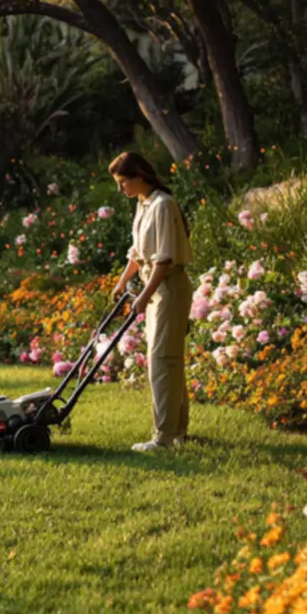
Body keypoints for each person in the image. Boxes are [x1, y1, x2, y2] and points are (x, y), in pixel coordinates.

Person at [108, 151, 193, 452]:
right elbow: (137, 253)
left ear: (139, 177)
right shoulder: (144, 205)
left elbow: (164, 259)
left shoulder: (163, 206)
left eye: (123, 182)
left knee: (162, 362)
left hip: (168, 288)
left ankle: (164, 437)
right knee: (166, 361)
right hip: (156, 288)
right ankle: (177, 431)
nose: (121, 189)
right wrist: (121, 283)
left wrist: (144, 296)